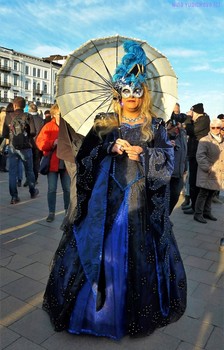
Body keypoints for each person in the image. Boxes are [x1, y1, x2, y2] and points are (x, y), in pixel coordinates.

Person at [42, 40, 187, 340]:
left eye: (137, 90)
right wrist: (110, 146)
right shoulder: (104, 123)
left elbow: (167, 164)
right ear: (118, 92)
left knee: (134, 251)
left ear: (143, 92)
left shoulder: (154, 125)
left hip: (138, 203)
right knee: (97, 247)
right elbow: (85, 157)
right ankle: (90, 312)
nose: (132, 96)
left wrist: (143, 156)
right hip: (103, 200)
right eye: (126, 90)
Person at [36, 103, 71, 222]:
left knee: (67, 188)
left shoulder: (68, 127)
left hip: (66, 163)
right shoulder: (48, 127)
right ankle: (51, 212)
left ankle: (68, 212)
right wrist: (53, 142)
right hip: (52, 163)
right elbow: (40, 143)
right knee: (52, 189)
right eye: (59, 114)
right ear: (54, 114)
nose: (61, 116)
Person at [2, 96, 39, 204]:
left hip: (13, 147)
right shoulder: (27, 116)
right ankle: (32, 191)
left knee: (12, 173)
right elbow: (33, 132)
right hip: (26, 147)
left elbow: (4, 134)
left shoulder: (8, 116)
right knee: (29, 170)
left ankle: (14, 197)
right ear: (24, 106)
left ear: (14, 105)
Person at [194, 118, 224, 223]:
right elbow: (200, 156)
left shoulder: (222, 139)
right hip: (208, 172)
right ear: (210, 128)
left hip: (218, 172)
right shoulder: (205, 140)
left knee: (212, 193)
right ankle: (198, 214)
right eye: (213, 127)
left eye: (218, 127)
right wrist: (208, 168)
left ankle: (207, 212)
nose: (215, 129)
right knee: (203, 193)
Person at [56, 117, 83, 230]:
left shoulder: (68, 103)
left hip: (69, 149)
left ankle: (71, 218)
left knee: (75, 184)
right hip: (75, 151)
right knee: (76, 185)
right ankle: (71, 220)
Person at [183, 103, 210, 214]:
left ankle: (198, 209)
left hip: (199, 155)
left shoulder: (204, 120)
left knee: (196, 181)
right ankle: (194, 206)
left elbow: (190, 130)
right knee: (193, 181)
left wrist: (188, 118)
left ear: (196, 112)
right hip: (193, 154)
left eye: (192, 112)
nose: (190, 114)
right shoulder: (198, 121)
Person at [166, 116, 187, 215]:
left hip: (179, 172)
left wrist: (185, 167)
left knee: (175, 197)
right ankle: (163, 219)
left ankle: (166, 217)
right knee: (164, 199)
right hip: (167, 172)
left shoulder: (183, 132)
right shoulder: (163, 131)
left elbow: (184, 150)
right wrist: (168, 131)